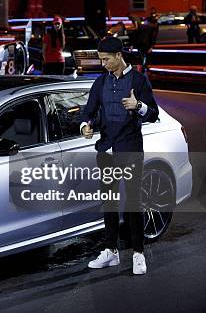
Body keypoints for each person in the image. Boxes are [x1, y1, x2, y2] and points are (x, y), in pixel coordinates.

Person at [80, 37, 159, 276]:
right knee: (110, 203)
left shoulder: (138, 80)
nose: (102, 64)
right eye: (101, 59)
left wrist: (139, 106)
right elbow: (88, 111)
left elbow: (153, 114)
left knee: (133, 203)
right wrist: (86, 125)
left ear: (118, 56)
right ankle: (110, 251)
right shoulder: (100, 82)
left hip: (130, 148)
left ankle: (138, 254)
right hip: (106, 150)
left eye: (106, 59)